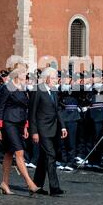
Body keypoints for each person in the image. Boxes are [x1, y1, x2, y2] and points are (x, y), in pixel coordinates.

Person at [0, 67, 41, 195]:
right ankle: (29, 183)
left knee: (9, 153)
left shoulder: (23, 88)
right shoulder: (7, 87)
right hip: (9, 123)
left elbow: (25, 108)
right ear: (16, 75)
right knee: (19, 152)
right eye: (24, 73)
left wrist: (25, 126)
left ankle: (4, 183)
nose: (26, 76)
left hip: (19, 123)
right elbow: (1, 108)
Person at [29, 67, 68, 196]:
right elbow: (32, 113)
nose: (55, 80)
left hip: (54, 128)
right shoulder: (38, 90)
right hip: (42, 129)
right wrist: (34, 131)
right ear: (46, 78)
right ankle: (54, 187)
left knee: (44, 157)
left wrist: (63, 126)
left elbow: (58, 110)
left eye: (56, 78)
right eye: (53, 78)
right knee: (51, 155)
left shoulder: (54, 91)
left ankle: (36, 185)